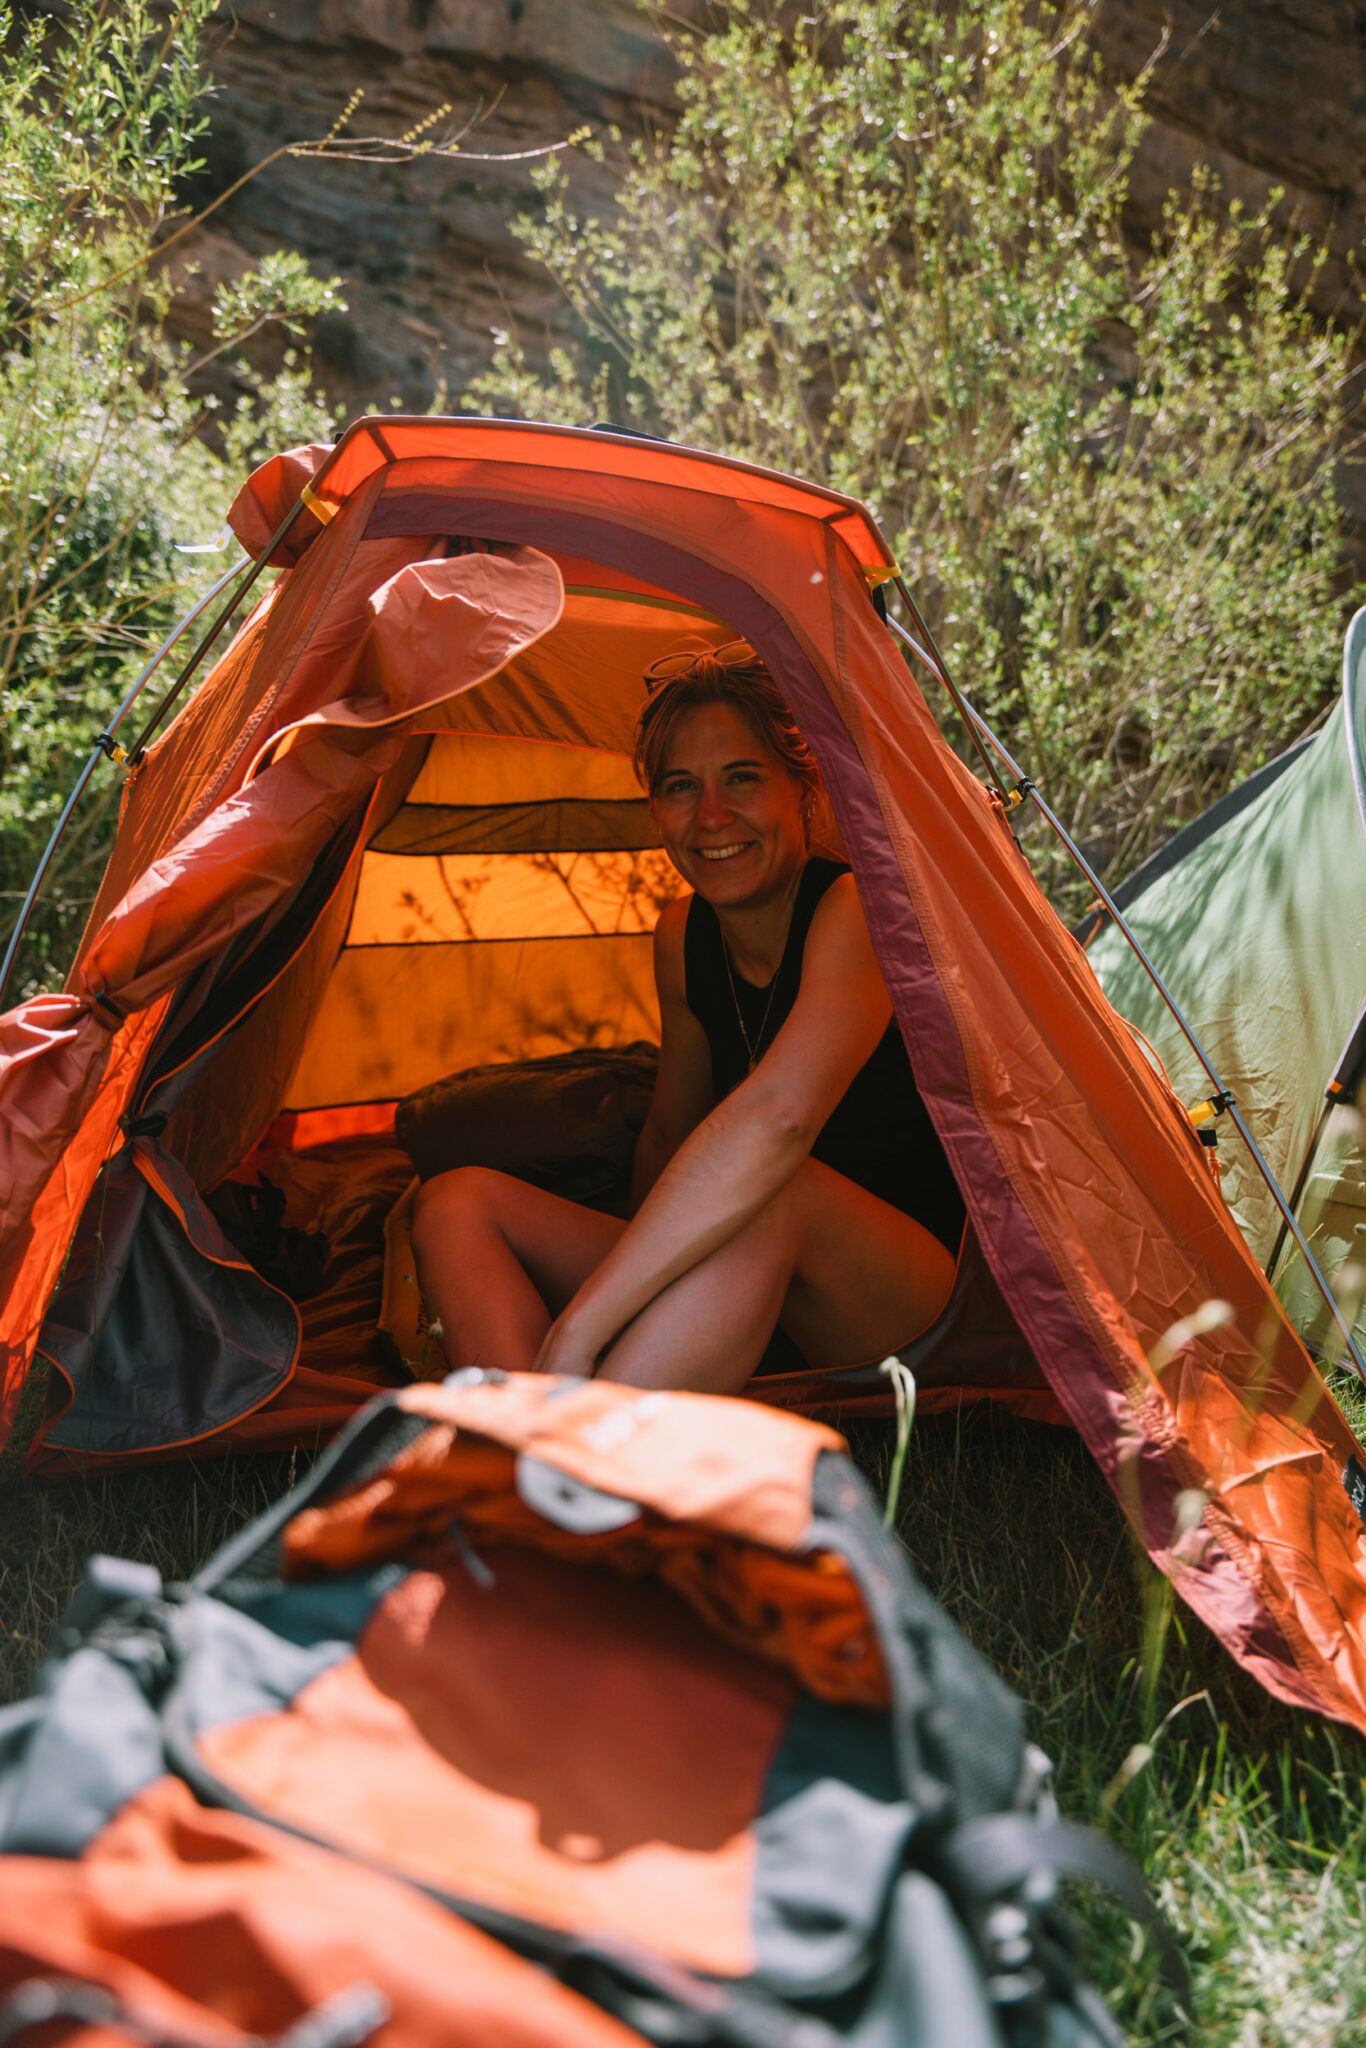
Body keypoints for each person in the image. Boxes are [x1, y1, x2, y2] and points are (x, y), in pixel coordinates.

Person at [410, 640, 965, 1393]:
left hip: (905, 1303)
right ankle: (525, 1444)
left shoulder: (858, 908)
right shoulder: (682, 933)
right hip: (747, 1272)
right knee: (456, 1199)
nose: (711, 816)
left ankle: (581, 1464)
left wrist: (587, 1323)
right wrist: (645, 1289)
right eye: (680, 787)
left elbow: (779, 1120)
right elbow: (672, 1129)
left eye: (742, 778)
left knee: (777, 1188)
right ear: (656, 809)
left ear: (803, 789)